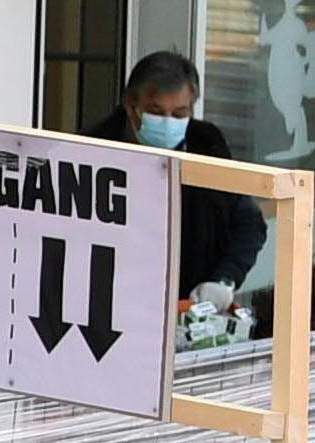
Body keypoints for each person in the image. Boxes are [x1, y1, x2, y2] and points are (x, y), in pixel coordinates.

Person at [90, 51, 264, 304]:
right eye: (156, 112)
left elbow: (247, 221)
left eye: (180, 114)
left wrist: (223, 282)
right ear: (130, 106)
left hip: (190, 309)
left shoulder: (207, 143)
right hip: (111, 308)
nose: (168, 123)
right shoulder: (92, 149)